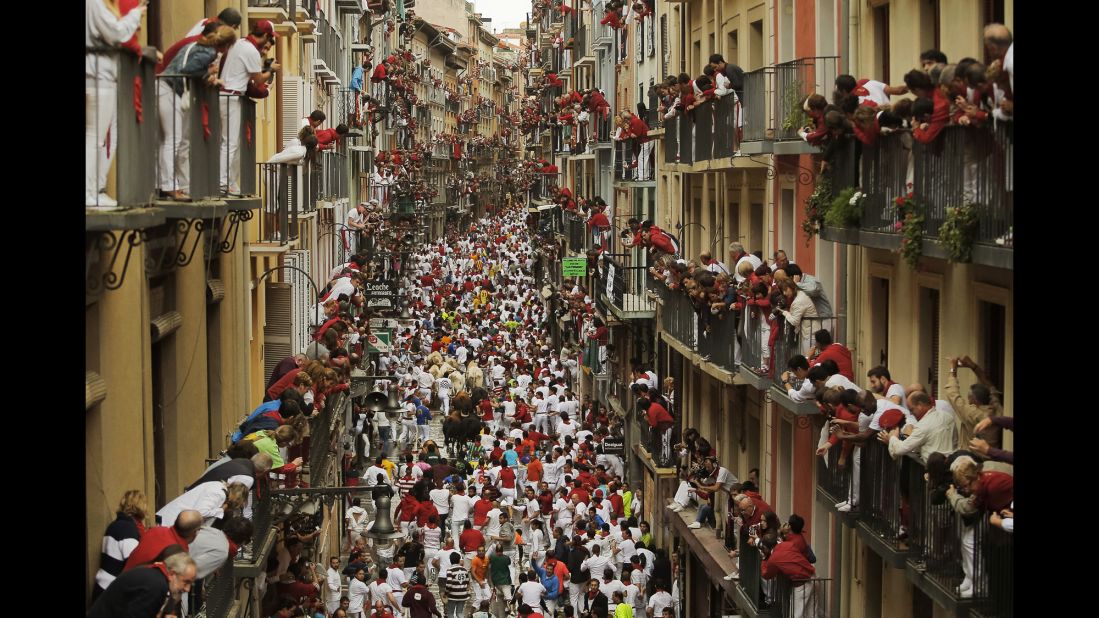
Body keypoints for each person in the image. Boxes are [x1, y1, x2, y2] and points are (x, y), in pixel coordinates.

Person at [156, 24, 236, 200]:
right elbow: (188, 70)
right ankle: (169, 186)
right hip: (171, 90)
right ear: (226, 44)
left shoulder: (193, 45)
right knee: (173, 139)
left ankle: (162, 184)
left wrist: (206, 77)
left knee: (165, 140)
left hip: (162, 86)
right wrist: (209, 72)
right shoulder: (210, 53)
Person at [85, 0, 149, 208]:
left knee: (95, 137)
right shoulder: (94, 3)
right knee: (95, 138)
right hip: (98, 76)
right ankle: (91, 192)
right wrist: (135, 15)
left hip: (97, 75)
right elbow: (116, 33)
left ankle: (94, 191)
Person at [219, 20, 279, 194]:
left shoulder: (238, 43)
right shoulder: (251, 50)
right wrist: (271, 71)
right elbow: (258, 79)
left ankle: (225, 181)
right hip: (232, 95)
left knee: (226, 141)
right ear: (266, 35)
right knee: (230, 143)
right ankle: (223, 182)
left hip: (223, 93)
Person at [89, 552, 197, 618]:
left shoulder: (156, 577)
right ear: (172, 574)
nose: (187, 589)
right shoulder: (156, 586)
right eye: (186, 582)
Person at [93, 489, 148, 599]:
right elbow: (134, 565)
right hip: (112, 593)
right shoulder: (129, 529)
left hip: (102, 588)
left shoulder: (115, 524)